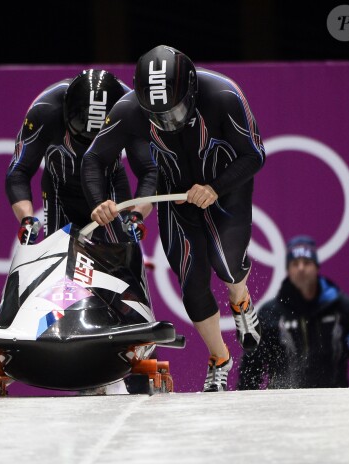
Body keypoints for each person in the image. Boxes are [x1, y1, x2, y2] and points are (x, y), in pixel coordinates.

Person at [81, 45, 266, 392]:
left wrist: (214, 187)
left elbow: (254, 155)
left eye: (175, 111)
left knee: (227, 263)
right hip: (175, 198)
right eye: (157, 115)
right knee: (193, 282)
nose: (168, 121)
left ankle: (240, 299)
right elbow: (94, 159)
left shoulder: (224, 95)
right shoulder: (129, 110)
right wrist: (99, 202)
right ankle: (220, 358)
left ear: (192, 90)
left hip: (225, 188)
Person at [5, 69, 155, 245]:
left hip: (110, 193)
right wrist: (27, 219)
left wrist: (136, 214)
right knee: (58, 262)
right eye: (82, 138)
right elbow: (19, 170)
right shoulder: (45, 109)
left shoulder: (130, 108)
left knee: (121, 255)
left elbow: (150, 170)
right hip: (59, 190)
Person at [238, 235, 349, 389]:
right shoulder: (270, 313)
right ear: (288, 270)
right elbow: (251, 367)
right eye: (295, 263)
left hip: (334, 403)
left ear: (316, 267)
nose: (301, 268)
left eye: (307, 263)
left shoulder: (342, 308)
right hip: (283, 406)